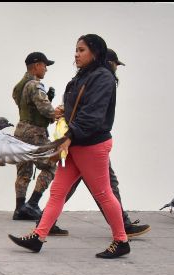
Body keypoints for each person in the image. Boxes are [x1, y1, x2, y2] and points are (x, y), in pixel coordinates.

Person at [8, 34, 129, 259]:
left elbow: (92, 115)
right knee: (57, 191)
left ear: (95, 52)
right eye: (76, 49)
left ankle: (121, 240)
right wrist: (66, 112)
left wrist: (69, 135)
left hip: (90, 144)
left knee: (103, 193)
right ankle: (38, 236)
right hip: (74, 144)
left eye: (82, 50)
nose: (76, 54)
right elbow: (79, 108)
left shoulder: (102, 77)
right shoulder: (83, 77)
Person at [58, 48, 150, 238]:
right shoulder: (102, 80)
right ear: (108, 62)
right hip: (89, 143)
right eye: (116, 64)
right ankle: (122, 230)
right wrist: (73, 135)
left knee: (64, 189)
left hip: (78, 141)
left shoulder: (80, 80)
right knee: (107, 189)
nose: (116, 68)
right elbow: (92, 116)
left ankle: (43, 224)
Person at [11, 52, 67, 236]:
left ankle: (20, 208)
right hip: (34, 133)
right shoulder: (35, 85)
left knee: (24, 170)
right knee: (51, 165)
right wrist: (59, 110)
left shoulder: (19, 86)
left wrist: (47, 100)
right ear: (36, 65)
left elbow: (29, 106)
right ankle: (33, 203)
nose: (46, 68)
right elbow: (46, 110)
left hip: (20, 132)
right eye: (44, 65)